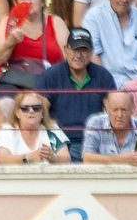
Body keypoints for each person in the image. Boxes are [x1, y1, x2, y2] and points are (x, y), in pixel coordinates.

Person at [36, 26, 114, 161]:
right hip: (61, 142)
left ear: (91, 53)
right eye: (75, 49)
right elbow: (40, 112)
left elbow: (113, 110)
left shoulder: (103, 76)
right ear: (66, 50)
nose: (79, 55)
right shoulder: (50, 75)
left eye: (84, 51)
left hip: (93, 142)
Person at [0, 0, 69, 90]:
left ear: (43, 2)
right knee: (6, 101)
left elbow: (69, 57)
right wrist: (11, 41)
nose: (28, 1)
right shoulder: (7, 22)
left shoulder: (55, 22)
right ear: (17, 3)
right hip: (11, 81)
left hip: (47, 81)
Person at [81, 89, 137, 164]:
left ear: (132, 110)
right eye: (115, 110)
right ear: (107, 110)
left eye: (124, 110)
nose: (119, 115)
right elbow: (87, 159)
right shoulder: (96, 123)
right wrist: (123, 159)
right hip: (104, 181)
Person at [0, 88, 70, 163]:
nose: (31, 111)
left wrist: (53, 158)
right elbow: (3, 159)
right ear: (17, 113)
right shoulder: (7, 130)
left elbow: (66, 159)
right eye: (25, 108)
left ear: (42, 113)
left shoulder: (52, 129)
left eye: (36, 108)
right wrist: (27, 157)